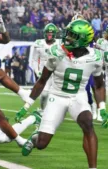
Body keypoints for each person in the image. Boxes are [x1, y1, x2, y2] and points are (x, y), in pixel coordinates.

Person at [15, 19, 108, 169]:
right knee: (42, 144)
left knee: (88, 124)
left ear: (83, 39)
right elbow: (42, 80)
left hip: (78, 96)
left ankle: (93, 168)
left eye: (72, 35)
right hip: (56, 97)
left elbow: (98, 85)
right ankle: (35, 138)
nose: (67, 38)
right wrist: (27, 105)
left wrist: (102, 107)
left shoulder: (95, 57)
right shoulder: (56, 52)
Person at [31, 23, 60, 114]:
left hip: (57, 72)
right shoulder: (39, 43)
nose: (49, 35)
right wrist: (37, 71)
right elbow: (35, 60)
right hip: (44, 73)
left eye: (51, 33)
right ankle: (43, 110)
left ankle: (52, 112)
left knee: (57, 95)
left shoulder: (59, 44)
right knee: (44, 94)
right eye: (48, 33)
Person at [95, 27, 108, 121]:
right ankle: (101, 111)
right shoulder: (101, 42)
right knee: (102, 90)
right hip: (104, 69)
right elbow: (97, 54)